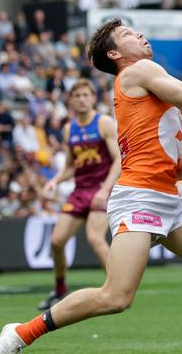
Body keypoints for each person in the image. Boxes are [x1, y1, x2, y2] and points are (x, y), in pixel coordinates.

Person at [0, 19, 182, 354]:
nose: (139, 34)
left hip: (167, 199)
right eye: (127, 34)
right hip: (139, 199)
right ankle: (20, 333)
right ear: (115, 53)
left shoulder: (152, 80)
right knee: (116, 297)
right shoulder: (139, 71)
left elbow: (177, 162)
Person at [34, 78, 120, 311]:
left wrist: (105, 189)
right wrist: (54, 180)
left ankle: (118, 289)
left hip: (101, 188)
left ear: (93, 98)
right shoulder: (68, 128)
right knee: (57, 241)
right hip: (79, 190)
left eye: (86, 95)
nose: (82, 99)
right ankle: (60, 290)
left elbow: (119, 160)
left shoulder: (103, 123)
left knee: (94, 238)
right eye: (77, 96)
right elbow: (71, 166)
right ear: (70, 100)